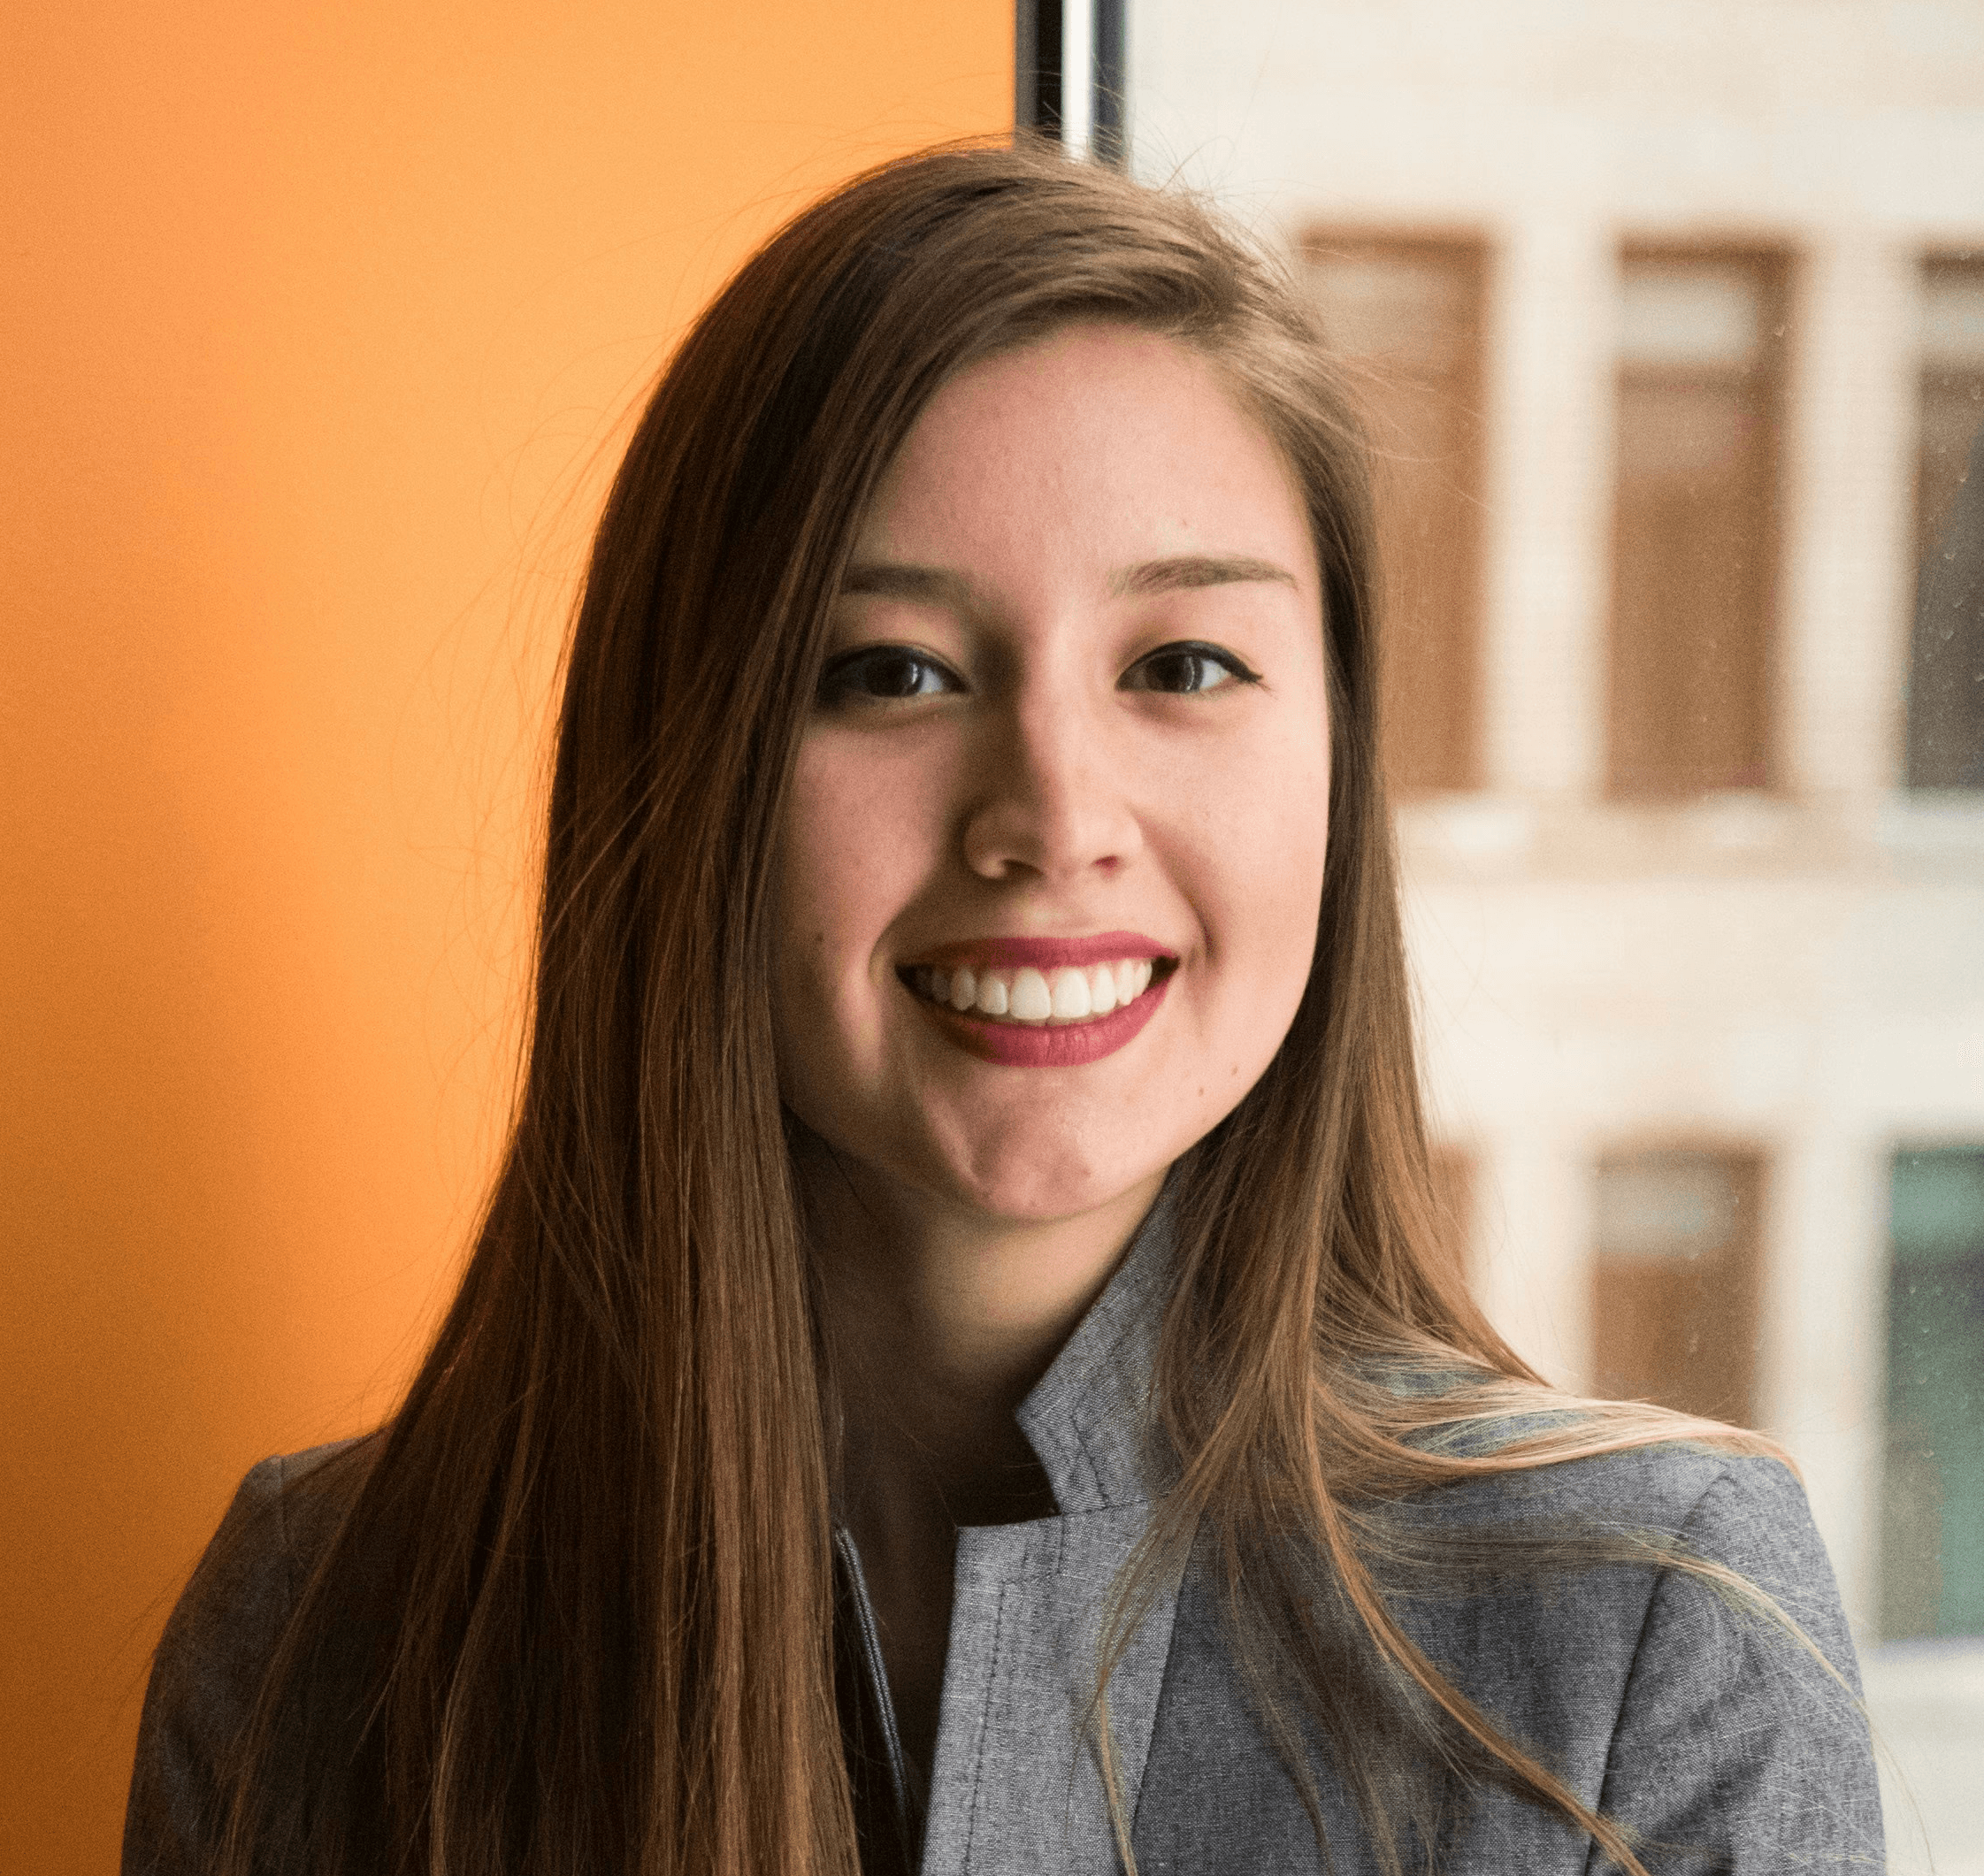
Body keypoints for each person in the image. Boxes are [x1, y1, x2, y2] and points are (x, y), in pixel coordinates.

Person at [123, 141, 1882, 1876]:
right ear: (683, 777)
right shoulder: (316, 1635)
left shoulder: (1650, 1625)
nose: (1048, 816)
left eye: (1180, 665)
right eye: (890, 671)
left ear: (1337, 768)